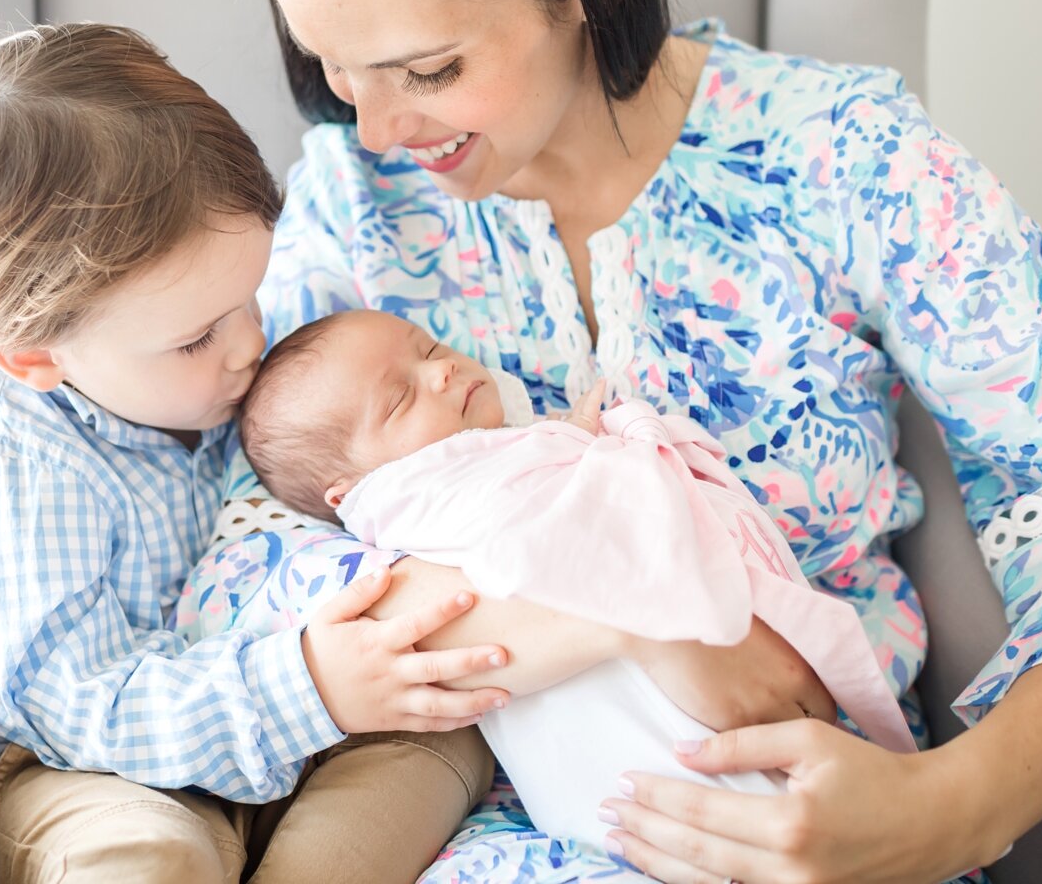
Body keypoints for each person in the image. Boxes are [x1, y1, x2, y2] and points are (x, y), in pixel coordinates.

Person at [175, 0, 1042, 881]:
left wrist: (957, 803)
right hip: (481, 841)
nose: (374, 128)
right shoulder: (349, 208)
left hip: (816, 821)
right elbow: (240, 577)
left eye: (427, 69)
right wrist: (634, 616)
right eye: (333, 68)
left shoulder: (847, 159)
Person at [0, 22, 517, 884]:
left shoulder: (252, 345)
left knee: (437, 731)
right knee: (148, 858)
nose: (246, 346)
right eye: (195, 340)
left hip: (295, 717)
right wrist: (305, 687)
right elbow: (81, 705)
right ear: (35, 356)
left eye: (248, 298)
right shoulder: (7, 471)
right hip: (93, 767)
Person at [238, 307, 918, 851]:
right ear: (350, 491)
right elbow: (523, 544)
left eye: (427, 349)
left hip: (757, 717)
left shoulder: (509, 455)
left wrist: (575, 446)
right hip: (641, 764)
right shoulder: (407, 504)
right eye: (400, 398)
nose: (440, 373)